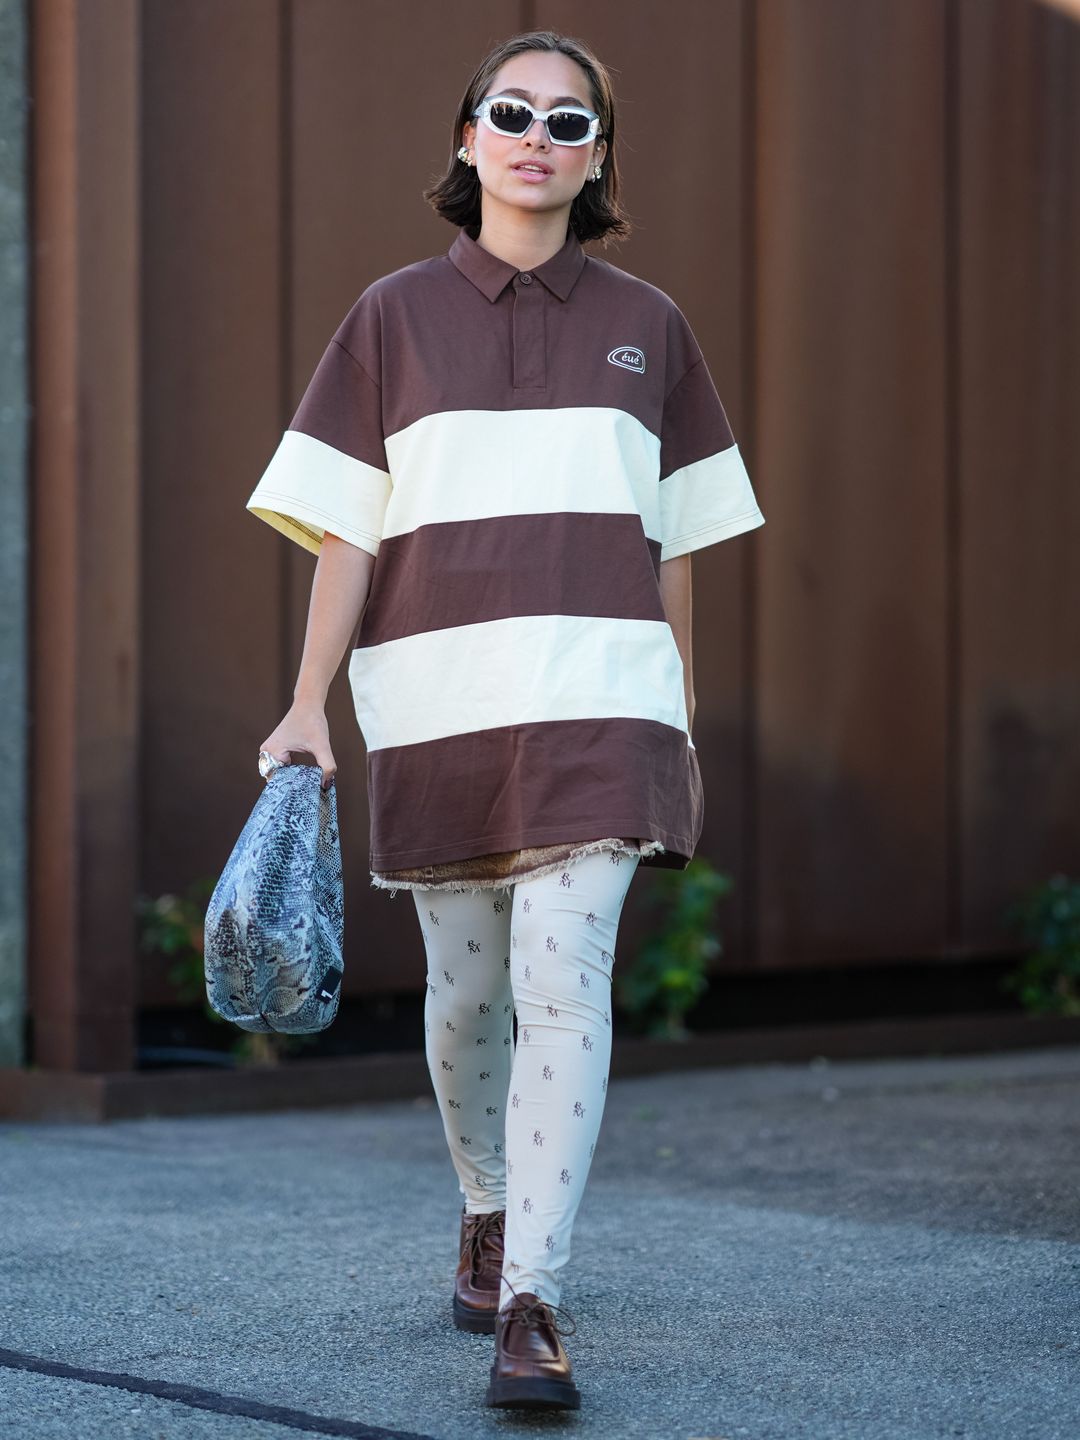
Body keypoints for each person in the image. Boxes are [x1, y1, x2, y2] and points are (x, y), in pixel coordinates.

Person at [248, 28, 764, 1413]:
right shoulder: (389, 317)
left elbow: (679, 541)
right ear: (469, 137)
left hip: (604, 709)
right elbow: (345, 538)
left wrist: (680, 706)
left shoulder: (650, 327)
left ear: (598, 160)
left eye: (571, 122)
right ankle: (485, 1204)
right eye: (512, 111)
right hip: (437, 708)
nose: (540, 135)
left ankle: (531, 1297)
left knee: (562, 979)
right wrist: (307, 704)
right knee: (470, 997)